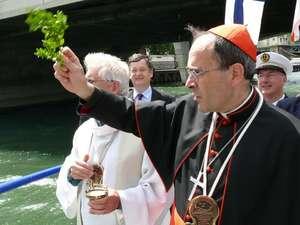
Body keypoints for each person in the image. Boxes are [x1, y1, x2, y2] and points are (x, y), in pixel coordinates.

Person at [53, 24, 300, 225]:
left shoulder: (288, 136)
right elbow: (131, 115)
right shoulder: (188, 109)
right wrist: (84, 89)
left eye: (197, 72)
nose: (189, 83)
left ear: (235, 73)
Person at [56, 52, 173, 225]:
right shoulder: (84, 130)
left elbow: (160, 189)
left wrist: (120, 200)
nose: (80, 85)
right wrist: (72, 177)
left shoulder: (145, 131)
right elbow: (69, 171)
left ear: (114, 86)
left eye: (89, 81)